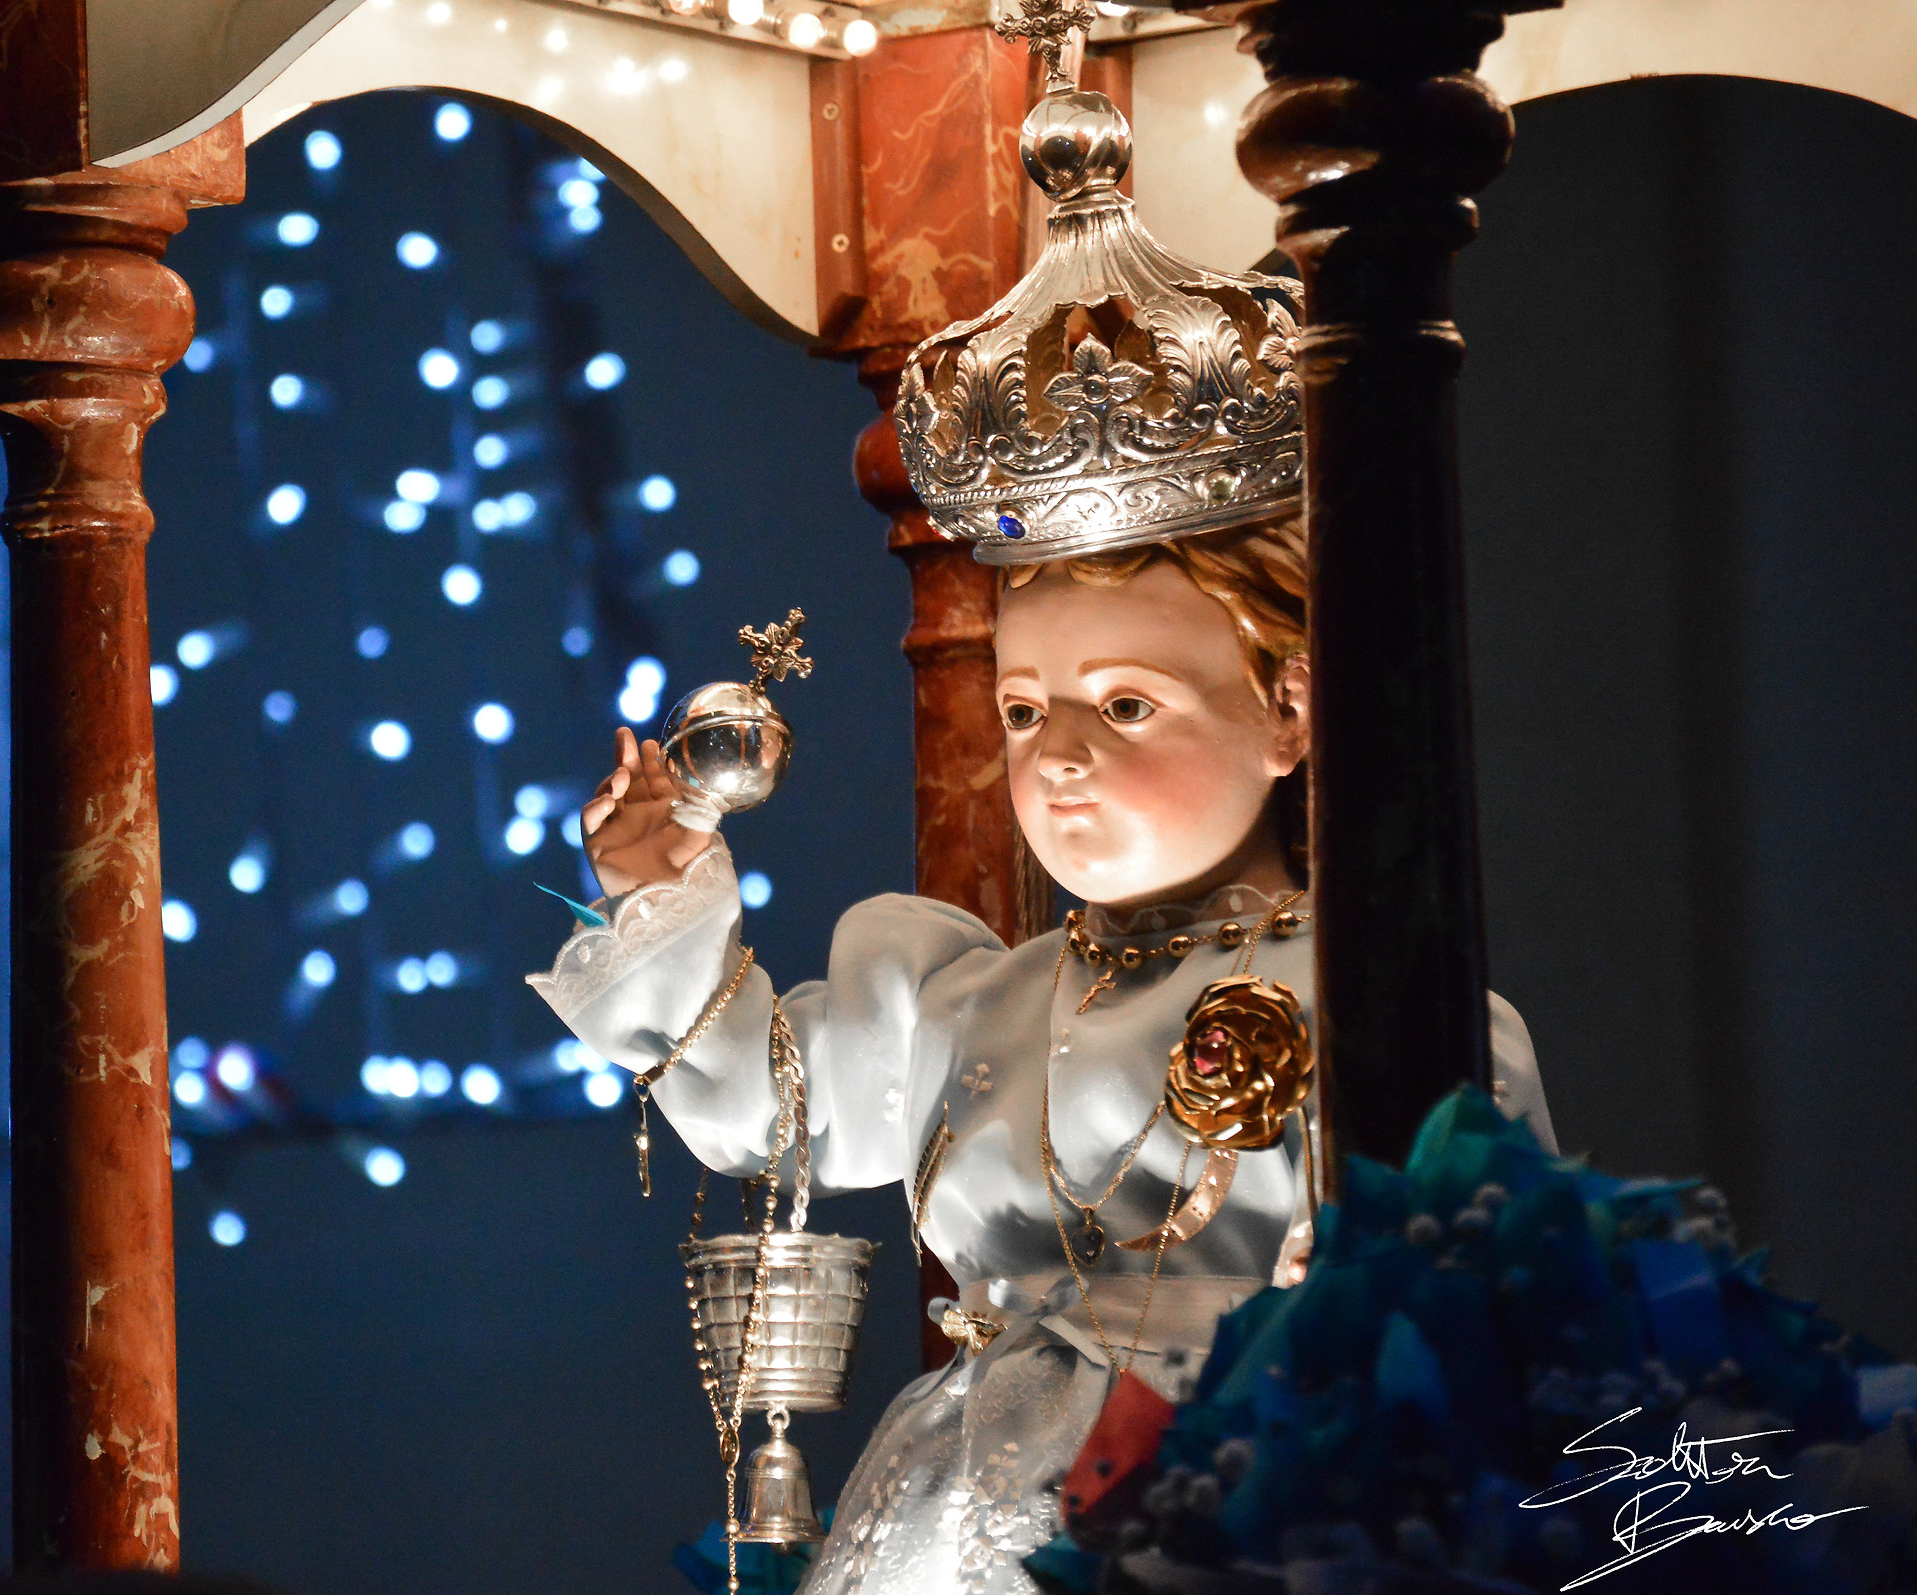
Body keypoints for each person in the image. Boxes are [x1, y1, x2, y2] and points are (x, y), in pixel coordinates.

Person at [528, 517, 1556, 1595]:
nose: (1058, 755)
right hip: (955, 1505)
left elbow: (1480, 1306)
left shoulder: (1376, 1009)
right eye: (1023, 711)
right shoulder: (972, 1002)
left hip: (1245, 1499)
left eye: (1126, 704)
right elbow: (763, 1105)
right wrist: (657, 889)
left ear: (1288, 714)